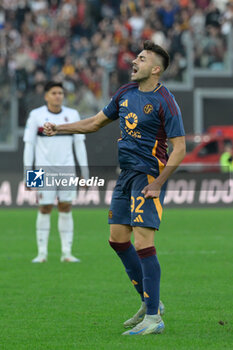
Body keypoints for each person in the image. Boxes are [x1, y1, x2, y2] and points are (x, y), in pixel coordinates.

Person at [43, 41, 186, 335]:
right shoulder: (125, 92)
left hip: (148, 176)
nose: (135, 61)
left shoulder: (165, 101)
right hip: (125, 176)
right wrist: (59, 129)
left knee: (143, 242)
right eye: (136, 56)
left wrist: (159, 183)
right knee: (117, 240)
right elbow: (96, 122)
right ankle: (151, 303)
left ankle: (154, 319)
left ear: (155, 69)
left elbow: (180, 148)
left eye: (142, 58)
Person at [23, 81, 89, 263]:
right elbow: (29, 146)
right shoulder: (36, 116)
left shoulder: (72, 114)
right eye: (54, 93)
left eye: (60, 92)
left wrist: (85, 173)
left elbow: (79, 145)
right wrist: (28, 174)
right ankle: (42, 253)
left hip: (67, 169)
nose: (58, 96)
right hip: (42, 170)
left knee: (66, 207)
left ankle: (67, 253)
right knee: (44, 208)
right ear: (46, 96)